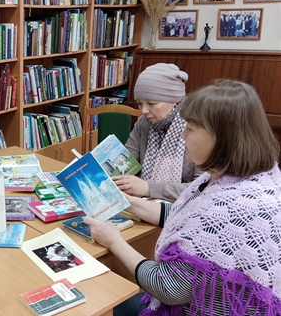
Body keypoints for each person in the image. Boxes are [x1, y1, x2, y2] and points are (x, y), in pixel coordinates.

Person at [84, 79, 281, 316]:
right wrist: (127, 201)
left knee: (104, 302)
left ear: (220, 136)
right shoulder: (224, 176)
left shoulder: (238, 205)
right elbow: (182, 215)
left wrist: (114, 240)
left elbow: (170, 288)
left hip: (194, 309)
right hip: (192, 299)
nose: (183, 136)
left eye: (190, 128)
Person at [112, 63, 202, 202]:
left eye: (151, 103)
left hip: (186, 210)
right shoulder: (144, 123)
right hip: (149, 206)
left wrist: (148, 188)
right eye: (139, 103)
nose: (143, 111)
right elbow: (124, 161)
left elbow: (201, 189)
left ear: (174, 100)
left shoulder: (197, 127)